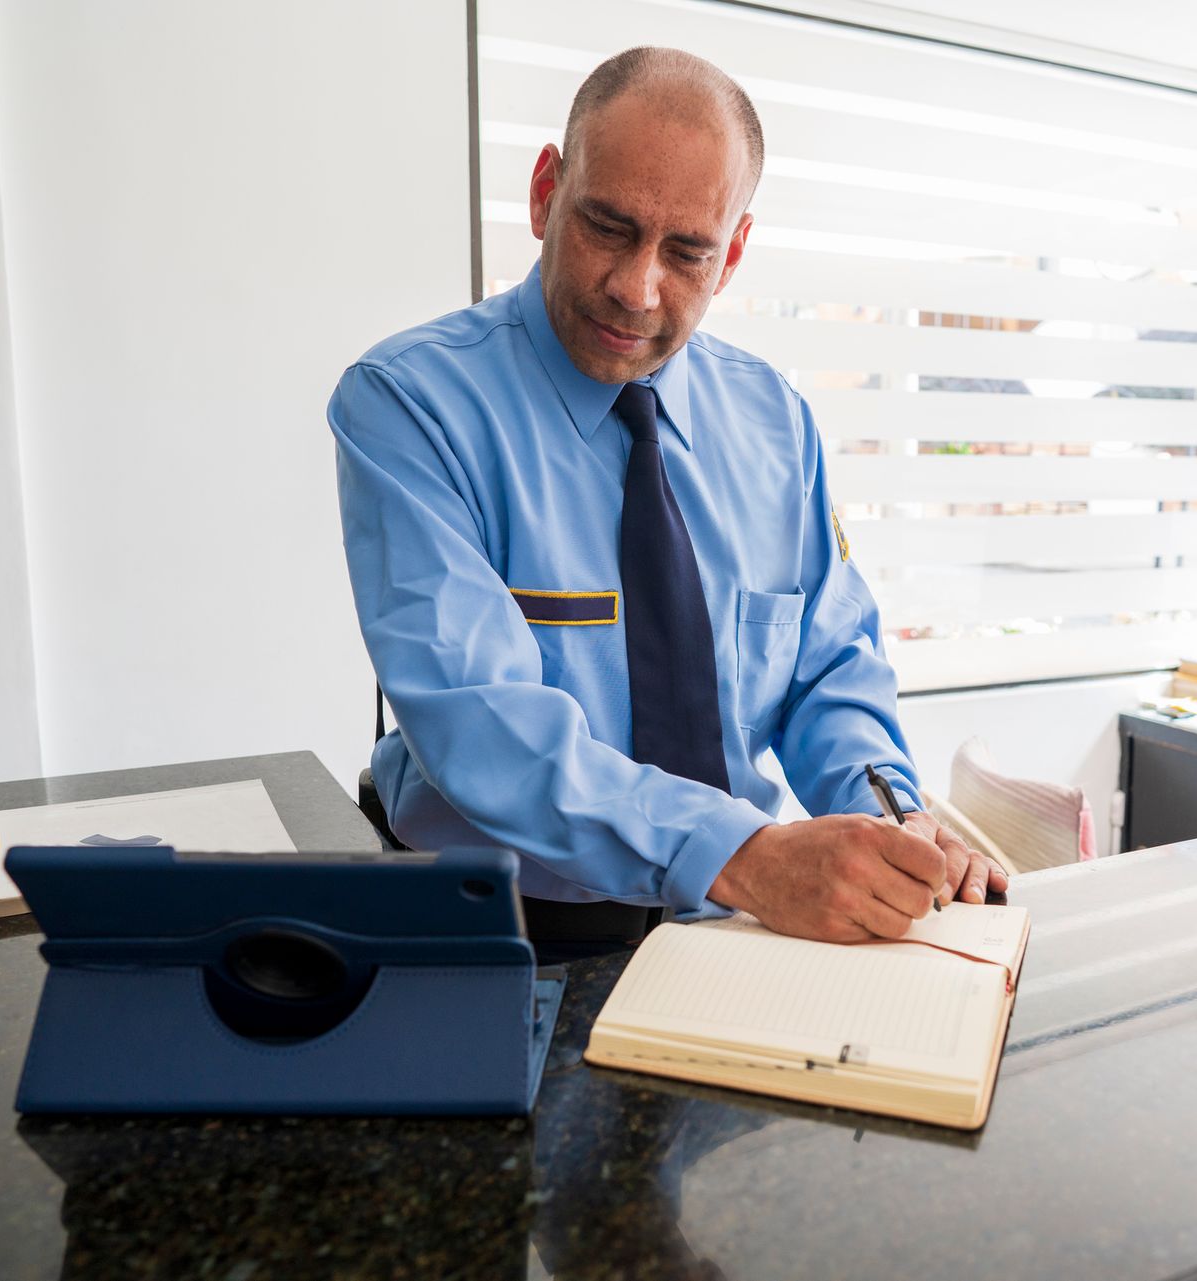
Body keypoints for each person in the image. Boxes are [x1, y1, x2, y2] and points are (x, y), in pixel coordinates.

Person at [329, 46, 1006, 947]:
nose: (636, 288)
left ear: (731, 256)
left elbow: (829, 663)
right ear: (544, 194)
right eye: (607, 226)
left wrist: (891, 816)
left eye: (686, 251)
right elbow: (483, 726)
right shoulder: (407, 403)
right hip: (499, 927)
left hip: (738, 918)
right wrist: (748, 856)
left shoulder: (775, 420)